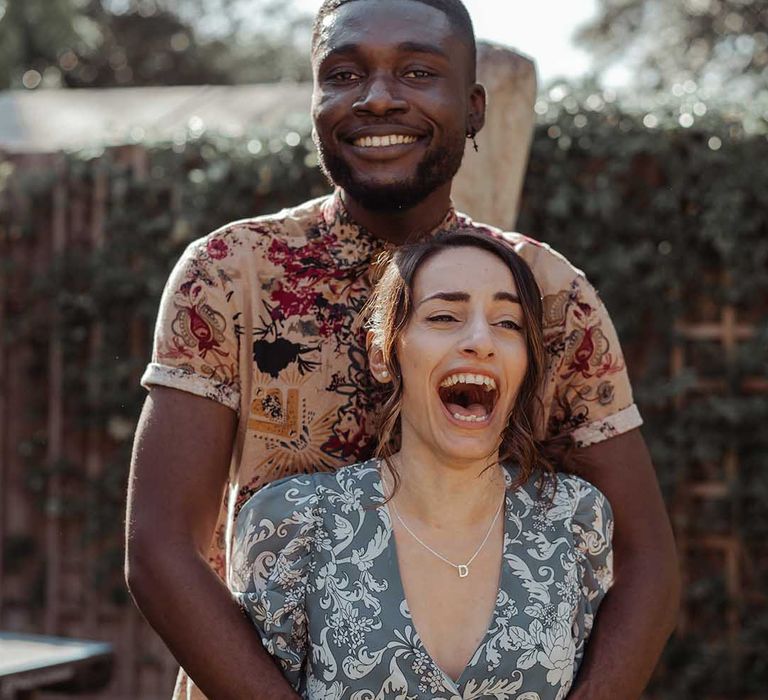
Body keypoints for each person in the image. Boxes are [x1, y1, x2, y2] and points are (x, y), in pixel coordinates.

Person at [124, 1, 679, 698]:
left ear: (473, 107)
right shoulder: (233, 273)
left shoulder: (546, 295)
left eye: (418, 71)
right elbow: (160, 548)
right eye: (344, 73)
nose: (379, 97)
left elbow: (646, 561)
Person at [229, 230, 614, 699]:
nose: (480, 341)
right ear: (382, 354)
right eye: (444, 316)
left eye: (508, 323)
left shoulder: (574, 521)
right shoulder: (293, 526)